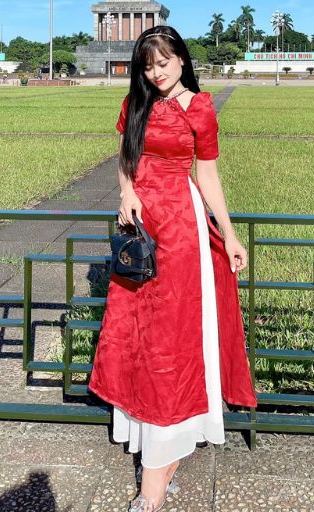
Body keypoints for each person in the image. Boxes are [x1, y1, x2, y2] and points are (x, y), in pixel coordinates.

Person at [89, 25, 256, 512]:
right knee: (138, 336)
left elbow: (207, 175)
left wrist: (230, 233)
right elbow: (126, 157)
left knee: (173, 341)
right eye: (148, 65)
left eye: (163, 62)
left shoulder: (199, 109)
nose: (156, 73)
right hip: (140, 233)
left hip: (181, 234)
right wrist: (126, 191)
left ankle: (155, 485)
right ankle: (164, 448)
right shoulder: (136, 103)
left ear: (182, 59)